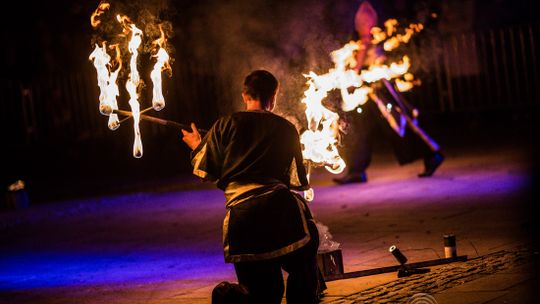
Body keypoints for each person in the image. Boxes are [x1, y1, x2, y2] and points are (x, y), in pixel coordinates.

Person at [181, 70, 323, 303]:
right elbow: (296, 180)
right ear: (273, 96)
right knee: (303, 266)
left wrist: (197, 146)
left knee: (259, 293)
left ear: (244, 95)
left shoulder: (224, 125)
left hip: (243, 218)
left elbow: (206, 171)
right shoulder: (285, 127)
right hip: (281, 212)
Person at [333, 0, 444, 185]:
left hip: (377, 89)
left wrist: (352, 75)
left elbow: (365, 42)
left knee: (399, 125)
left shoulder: (366, 17)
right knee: (363, 130)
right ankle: (356, 170)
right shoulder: (365, 9)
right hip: (370, 89)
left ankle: (432, 154)